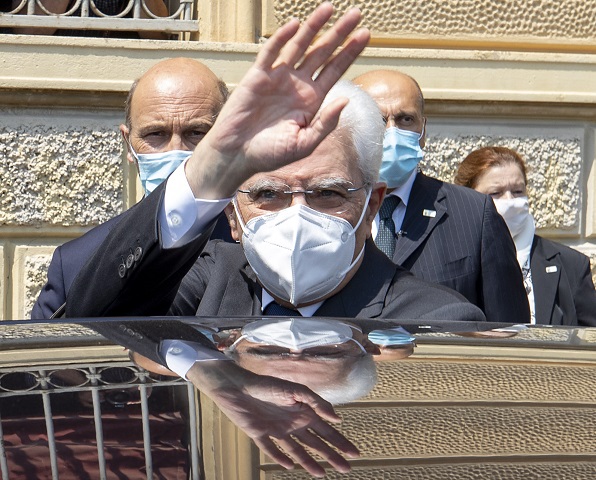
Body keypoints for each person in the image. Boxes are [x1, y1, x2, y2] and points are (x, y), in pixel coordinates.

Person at [66, 4, 485, 475]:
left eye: (328, 193)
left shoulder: (434, 325)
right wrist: (206, 169)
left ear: (371, 206)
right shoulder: (202, 284)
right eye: (267, 194)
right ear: (232, 212)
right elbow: (93, 325)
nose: (297, 216)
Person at [31, 57, 233, 320]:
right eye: (155, 134)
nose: (176, 150)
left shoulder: (260, 245)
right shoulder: (75, 263)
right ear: (129, 144)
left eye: (196, 133)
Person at [353, 69, 530, 324]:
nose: (392, 132)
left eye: (405, 119)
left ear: (423, 130)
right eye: (378, 121)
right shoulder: (326, 210)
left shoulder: (474, 214)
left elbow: (508, 328)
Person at [454, 146, 596, 326]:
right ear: (467, 197)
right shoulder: (450, 262)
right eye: (495, 193)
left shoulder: (571, 265)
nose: (510, 201)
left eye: (518, 191)